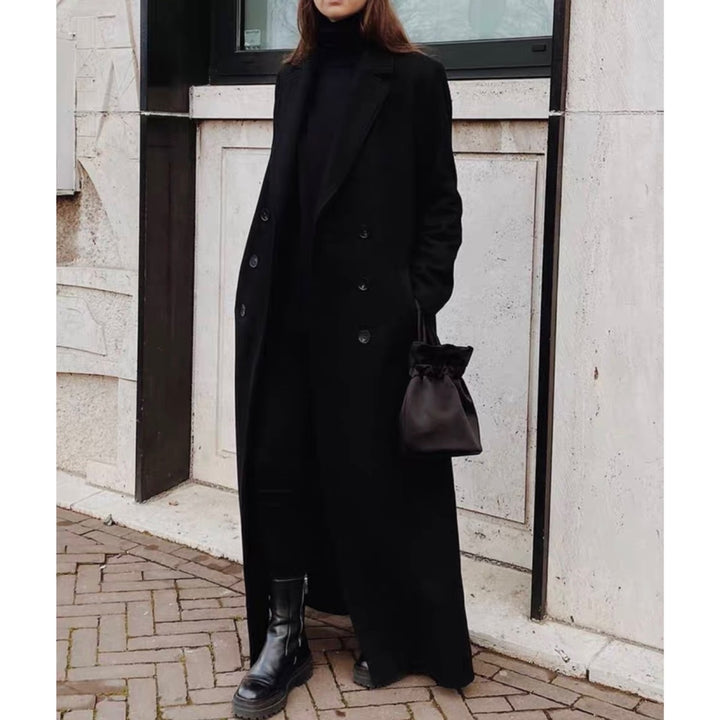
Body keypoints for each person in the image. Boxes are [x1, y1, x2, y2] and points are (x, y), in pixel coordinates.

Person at [232, 1, 474, 717]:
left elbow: (442, 205)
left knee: (367, 474)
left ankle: (385, 628)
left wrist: (416, 298)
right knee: (275, 464)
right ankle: (284, 636)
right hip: (282, 309)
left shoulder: (416, 78)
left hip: (368, 321)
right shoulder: (293, 78)